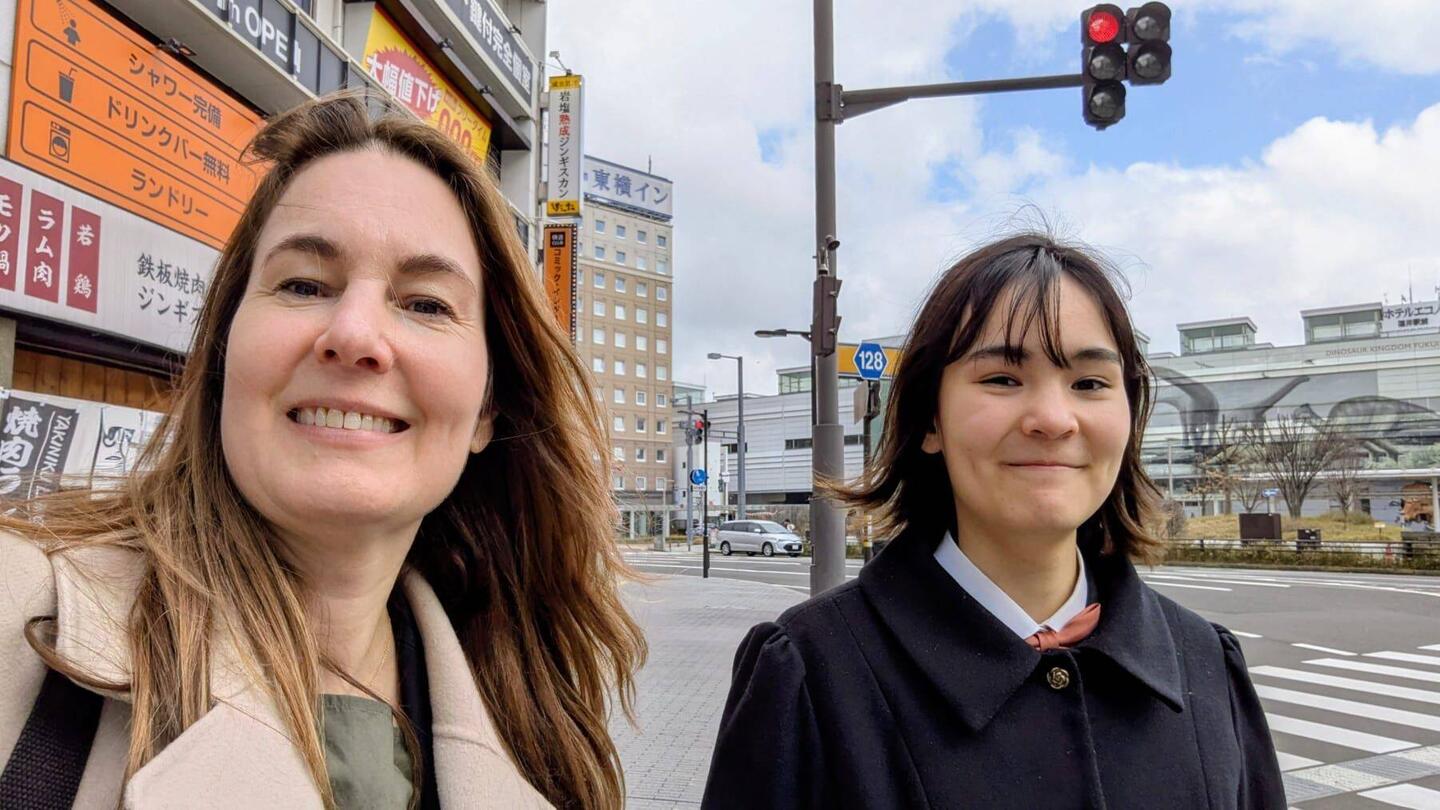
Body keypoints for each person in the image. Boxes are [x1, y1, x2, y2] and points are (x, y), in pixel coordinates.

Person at [0, 94, 644, 809]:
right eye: (304, 285)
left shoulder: (536, 719)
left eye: (426, 304)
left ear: (489, 408)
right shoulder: (20, 619)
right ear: (224, 352)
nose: (355, 335)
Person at [701, 233, 1284, 809]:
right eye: (1002, 379)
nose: (1053, 419)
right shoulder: (810, 674)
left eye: (1090, 384)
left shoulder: (1205, 662)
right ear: (931, 419)